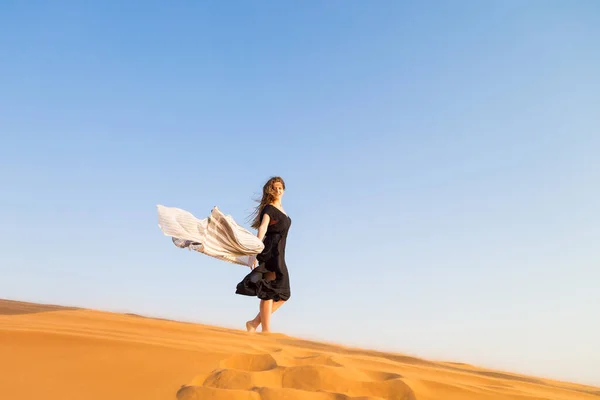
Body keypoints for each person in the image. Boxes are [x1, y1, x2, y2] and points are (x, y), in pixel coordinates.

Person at [235, 176, 292, 333]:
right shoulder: (269, 209)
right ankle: (266, 331)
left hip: (279, 253)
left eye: (280, 188)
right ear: (270, 190)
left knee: (284, 294)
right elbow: (263, 229)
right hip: (270, 252)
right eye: (274, 188)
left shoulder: (282, 211)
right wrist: (254, 251)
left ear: (284, 190)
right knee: (269, 291)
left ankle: (254, 323)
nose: (278, 190)